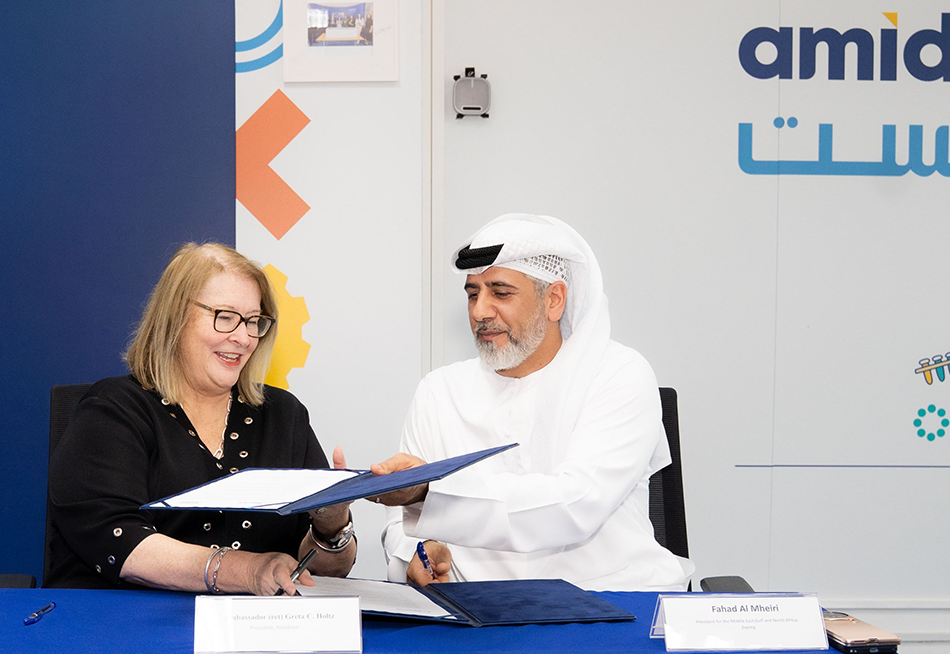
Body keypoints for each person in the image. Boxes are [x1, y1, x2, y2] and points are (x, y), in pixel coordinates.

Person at [371, 214, 692, 591]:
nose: (480, 312)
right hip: (478, 611)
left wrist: (431, 494)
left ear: (554, 300)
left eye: (500, 293)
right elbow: (401, 521)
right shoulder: (439, 391)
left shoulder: (618, 374)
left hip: (613, 603)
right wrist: (421, 549)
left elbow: (576, 505)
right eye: (473, 294)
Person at [46, 243, 356, 594]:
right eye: (225, 317)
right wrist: (247, 570)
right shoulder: (113, 410)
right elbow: (122, 543)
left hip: (251, 626)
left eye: (253, 321)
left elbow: (321, 573)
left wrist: (331, 527)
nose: (243, 338)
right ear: (176, 317)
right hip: (120, 621)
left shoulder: (284, 415)